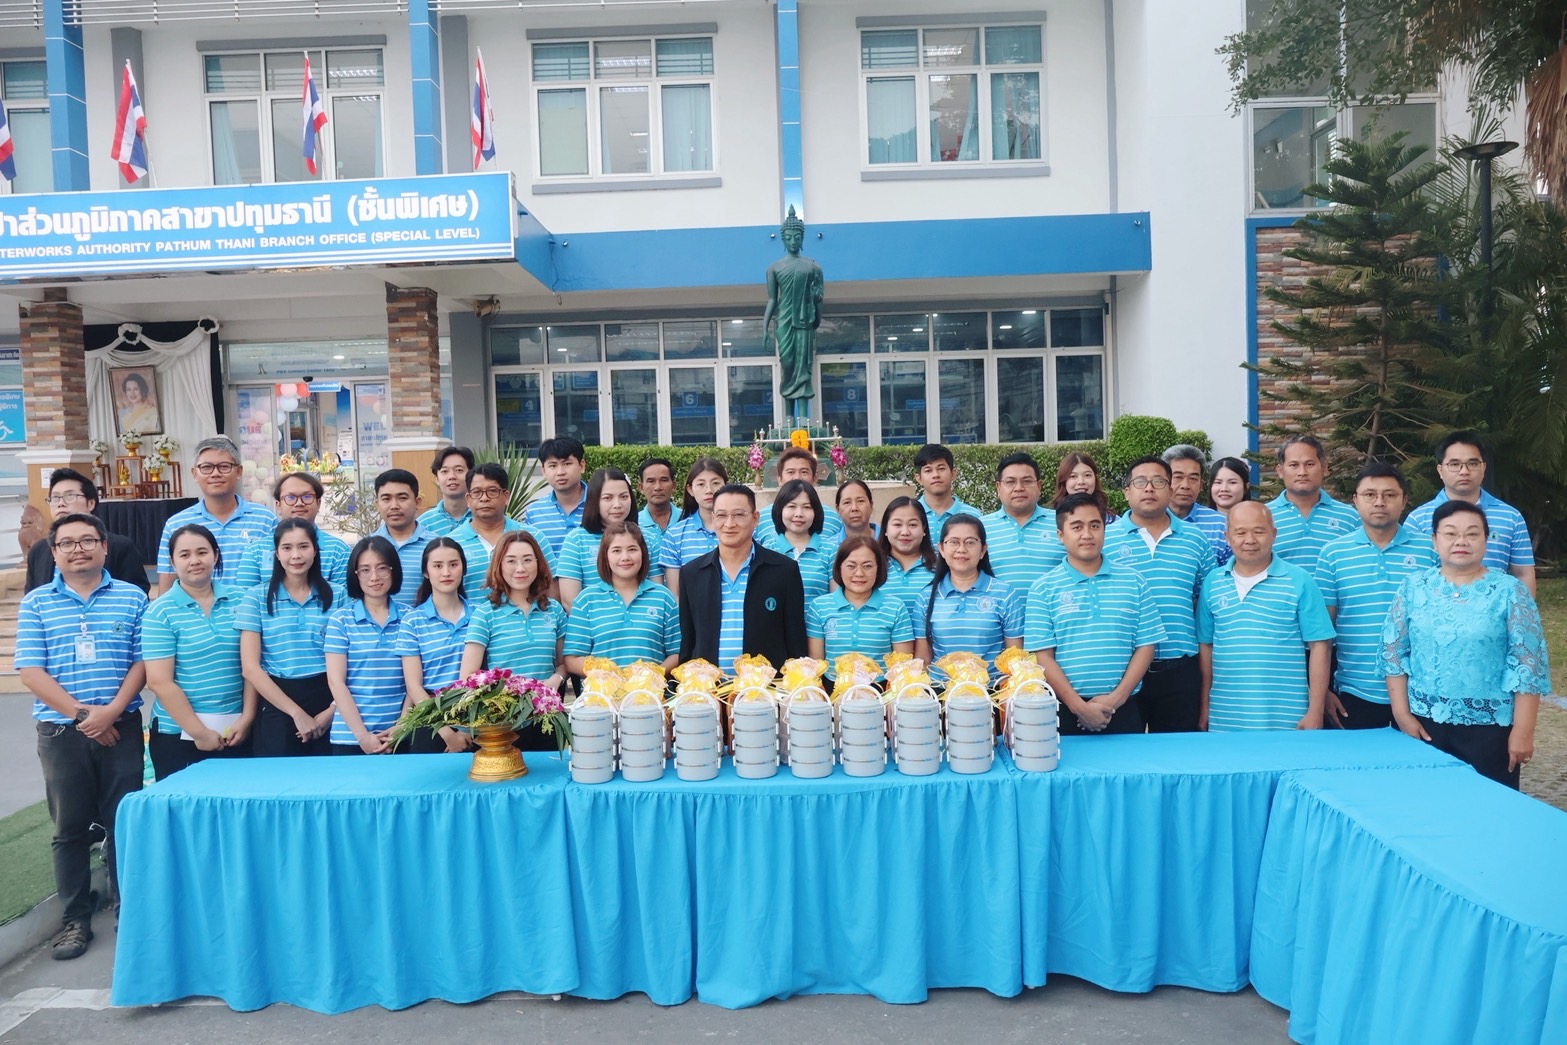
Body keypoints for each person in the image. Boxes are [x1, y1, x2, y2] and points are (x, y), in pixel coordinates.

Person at [16, 512, 147, 961]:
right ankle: (75, 920)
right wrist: (83, 716)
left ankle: (130, 912)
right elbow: (30, 670)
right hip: (61, 732)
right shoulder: (36, 603)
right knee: (70, 829)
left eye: (88, 540)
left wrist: (110, 713)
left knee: (123, 823)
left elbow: (143, 662)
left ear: (104, 547)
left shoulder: (132, 597)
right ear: (53, 553)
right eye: (67, 543)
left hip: (121, 727)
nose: (79, 549)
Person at [1382, 500, 1550, 788]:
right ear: (1434, 541)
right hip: (1423, 724)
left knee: (1488, 807)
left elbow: (1527, 665)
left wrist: (1523, 730)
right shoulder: (1413, 587)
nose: (1461, 541)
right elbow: (1394, 653)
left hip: (1491, 729)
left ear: (1486, 540)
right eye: (1450, 533)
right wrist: (1402, 715)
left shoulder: (1510, 591)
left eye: (1472, 534)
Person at [1027, 493, 1167, 735]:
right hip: (1064, 712)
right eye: (1077, 527)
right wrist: (1079, 707)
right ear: (1061, 535)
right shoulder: (1043, 588)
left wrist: (1115, 700)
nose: (1087, 534)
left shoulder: (1134, 581)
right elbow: (1043, 656)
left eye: (1095, 525)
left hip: (1122, 708)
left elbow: (1146, 646)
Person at [1315, 462, 1437, 730]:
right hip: (1354, 692)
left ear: (1404, 500)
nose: (1379, 502)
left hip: (1419, 691)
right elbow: (1323, 634)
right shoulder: (1333, 554)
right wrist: (1323, 692)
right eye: (1370, 495)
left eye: (1389, 495)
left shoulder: (1430, 550)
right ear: (1355, 500)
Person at [1197, 502, 1335, 731]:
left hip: (1288, 717)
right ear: (1227, 537)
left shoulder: (1300, 580)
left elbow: (1320, 646)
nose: (1249, 540)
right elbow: (1206, 646)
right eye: (1240, 532)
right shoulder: (1213, 582)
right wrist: (1204, 707)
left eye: (1259, 531)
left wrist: (1315, 711)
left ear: (1274, 534)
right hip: (1226, 716)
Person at [1103, 456, 1217, 733]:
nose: (1149, 488)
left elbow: (1207, 600)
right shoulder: (1105, 539)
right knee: (1125, 750)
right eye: (1140, 482)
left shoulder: (1195, 539)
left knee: (1177, 751)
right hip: (1121, 669)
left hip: (1179, 669)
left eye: (1158, 482)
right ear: (1126, 492)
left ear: (1170, 489)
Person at [142, 524, 254, 779]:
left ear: (215, 555)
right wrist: (200, 733)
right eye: (185, 555)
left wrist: (247, 718)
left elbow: (252, 668)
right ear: (172, 561)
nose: (195, 561)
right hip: (177, 733)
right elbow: (159, 681)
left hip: (238, 729)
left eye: (202, 552)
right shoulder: (160, 611)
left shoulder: (243, 600)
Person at [236, 519, 340, 758]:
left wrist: (333, 710)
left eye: (303, 546)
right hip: (277, 700)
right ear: (276, 554)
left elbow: (350, 660)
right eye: (287, 548)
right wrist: (296, 713)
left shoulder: (338, 595)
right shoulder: (256, 598)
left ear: (315, 550)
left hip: (330, 696)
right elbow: (250, 668)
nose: (296, 555)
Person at [677, 483, 808, 671]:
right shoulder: (692, 573)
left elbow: (795, 642)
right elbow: (688, 643)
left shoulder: (784, 571)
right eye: (721, 515)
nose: (729, 524)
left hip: (765, 686)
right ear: (713, 519)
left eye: (739, 515)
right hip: (708, 686)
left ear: (755, 518)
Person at [1404, 431, 1536, 596]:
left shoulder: (1511, 517)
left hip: (1495, 608)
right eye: (1454, 464)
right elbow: (1409, 575)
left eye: (1472, 463)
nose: (1464, 471)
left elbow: (1523, 573)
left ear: (1484, 467)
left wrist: (1524, 610)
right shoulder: (1417, 519)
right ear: (1440, 470)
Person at [157, 436, 276, 593]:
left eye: (224, 466)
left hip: (253, 607)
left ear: (239, 471)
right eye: (206, 467)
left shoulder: (265, 519)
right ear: (194, 473)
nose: (215, 474)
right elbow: (166, 587)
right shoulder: (176, 524)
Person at [916, 514, 1024, 681]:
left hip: (991, 691)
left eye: (970, 542)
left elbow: (1014, 659)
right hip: (941, 690)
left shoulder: (1005, 594)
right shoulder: (926, 597)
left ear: (983, 550)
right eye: (954, 542)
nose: (961, 549)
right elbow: (923, 659)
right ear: (941, 549)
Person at [325, 536, 407, 755]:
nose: (374, 577)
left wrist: (402, 726)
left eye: (382, 568)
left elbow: (414, 682)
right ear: (355, 574)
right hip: (350, 738)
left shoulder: (410, 618)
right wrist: (362, 736)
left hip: (400, 734)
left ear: (393, 570)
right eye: (365, 570)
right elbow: (336, 682)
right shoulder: (340, 620)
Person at [562, 522, 681, 673]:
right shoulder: (586, 600)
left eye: (632, 549)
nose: (625, 557)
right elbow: (572, 659)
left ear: (643, 553)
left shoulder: (663, 598)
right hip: (603, 688)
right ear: (605, 556)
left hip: (652, 687)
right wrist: (607, 674)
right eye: (616, 550)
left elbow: (677, 652)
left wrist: (653, 674)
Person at [461, 530, 567, 693]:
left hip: (547, 704)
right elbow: (467, 677)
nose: (520, 569)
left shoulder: (554, 609)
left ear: (538, 563)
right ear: (499, 565)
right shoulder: (485, 614)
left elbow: (564, 663)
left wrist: (557, 678)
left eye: (527, 560)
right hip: (503, 706)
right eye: (511, 561)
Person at [397, 539, 473, 754]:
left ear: (463, 568)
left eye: (453, 564)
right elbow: (414, 686)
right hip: (429, 721)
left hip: (476, 718)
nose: (446, 572)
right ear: (426, 572)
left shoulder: (481, 614)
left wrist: (466, 729)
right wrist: (447, 733)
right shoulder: (412, 621)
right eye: (437, 566)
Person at [25, 468, 148, 594]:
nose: (61, 503)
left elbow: (136, 594)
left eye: (70, 496)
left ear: (91, 503)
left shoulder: (120, 547)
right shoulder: (38, 551)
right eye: (55, 497)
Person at [451, 462, 556, 603]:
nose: (484, 498)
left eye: (492, 491)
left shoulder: (533, 537)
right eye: (476, 492)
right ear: (468, 499)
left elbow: (550, 588)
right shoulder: (452, 543)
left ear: (506, 496)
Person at [559, 467, 659, 611]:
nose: (617, 505)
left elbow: (657, 591)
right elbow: (570, 601)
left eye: (624, 497)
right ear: (594, 500)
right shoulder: (576, 540)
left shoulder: (649, 538)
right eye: (607, 498)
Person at [807, 536, 915, 667]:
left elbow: (903, 666)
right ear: (839, 567)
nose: (859, 573)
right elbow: (816, 665)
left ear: (878, 568)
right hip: (833, 680)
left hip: (882, 680)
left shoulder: (895, 607)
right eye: (851, 566)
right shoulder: (819, 606)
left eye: (867, 566)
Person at [232, 472, 350, 588]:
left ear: (318, 503)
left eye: (307, 497)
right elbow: (245, 597)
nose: (299, 503)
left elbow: (343, 598)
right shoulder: (255, 551)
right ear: (278, 505)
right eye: (290, 498)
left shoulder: (338, 550)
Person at [763, 205, 825, 421]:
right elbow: (772, 299)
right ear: (782, 239)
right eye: (788, 237)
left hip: (804, 321)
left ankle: (803, 417)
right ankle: (788, 416)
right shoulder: (774, 268)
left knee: (803, 366)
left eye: (796, 237)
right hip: (784, 321)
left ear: (802, 238)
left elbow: (819, 298)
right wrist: (764, 327)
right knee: (787, 364)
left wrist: (817, 316)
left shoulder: (813, 267)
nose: (792, 241)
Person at [1265, 435, 1357, 575]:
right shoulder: (1263, 516)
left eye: (1309, 464)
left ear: (1324, 468)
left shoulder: (1349, 517)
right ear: (1280, 471)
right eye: (1294, 465)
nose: (1302, 472)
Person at [982, 452, 1056, 596]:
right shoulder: (980, 528)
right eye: (1010, 482)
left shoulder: (1062, 522)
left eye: (1027, 481)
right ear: (998, 488)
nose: (1019, 488)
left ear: (1039, 486)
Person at [659, 457, 728, 600]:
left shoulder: (742, 529)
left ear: (726, 485)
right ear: (690, 489)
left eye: (716, 483)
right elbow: (675, 594)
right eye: (701, 484)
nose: (709, 490)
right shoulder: (675, 535)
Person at [761, 478, 840, 598]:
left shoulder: (831, 552)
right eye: (792, 506)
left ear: (816, 512)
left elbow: (835, 600)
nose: (799, 514)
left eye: (807, 507)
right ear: (780, 510)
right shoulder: (766, 551)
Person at [368, 468, 433, 606]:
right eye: (386, 499)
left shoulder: (435, 546)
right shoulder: (367, 548)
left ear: (417, 502)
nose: (394, 506)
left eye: (402, 498)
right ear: (377, 504)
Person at [758, 447, 844, 541]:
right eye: (791, 472)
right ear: (779, 479)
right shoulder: (761, 519)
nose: (797, 477)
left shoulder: (834, 518)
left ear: (814, 478)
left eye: (804, 472)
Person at [1162, 445, 1229, 561]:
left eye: (1193, 478)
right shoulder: (1147, 520)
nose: (1185, 485)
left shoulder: (1220, 524)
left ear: (1201, 485)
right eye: (1178, 477)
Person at [524, 436, 587, 556]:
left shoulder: (600, 504)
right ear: (543, 471)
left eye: (567, 464)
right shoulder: (534, 512)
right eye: (553, 466)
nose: (560, 472)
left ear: (581, 466)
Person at [878, 496, 938, 614]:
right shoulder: (873, 565)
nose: (905, 532)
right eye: (897, 524)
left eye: (912, 525)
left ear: (924, 528)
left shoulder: (940, 565)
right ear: (885, 529)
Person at [913, 444, 977, 535]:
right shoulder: (911, 514)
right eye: (928, 470)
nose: (935, 475)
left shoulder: (973, 515)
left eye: (941, 469)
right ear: (919, 478)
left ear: (953, 474)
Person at [416, 445, 475, 537]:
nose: (451, 476)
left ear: (471, 476)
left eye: (459, 470)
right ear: (436, 479)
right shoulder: (423, 524)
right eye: (444, 471)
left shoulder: (482, 518)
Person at [1204, 456, 1252, 565]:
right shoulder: (1200, 523)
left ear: (1246, 487)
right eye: (1218, 482)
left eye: (1232, 482)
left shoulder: (1257, 521)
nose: (1224, 488)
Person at [636, 457, 682, 570]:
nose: (658, 487)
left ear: (674, 485)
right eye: (651, 481)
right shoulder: (633, 523)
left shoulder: (686, 519)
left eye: (664, 480)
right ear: (641, 487)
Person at [1052, 451, 1115, 522]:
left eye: (1087, 475)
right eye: (1073, 476)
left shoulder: (1113, 521)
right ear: (1063, 482)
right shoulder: (1050, 519)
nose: (1081, 482)